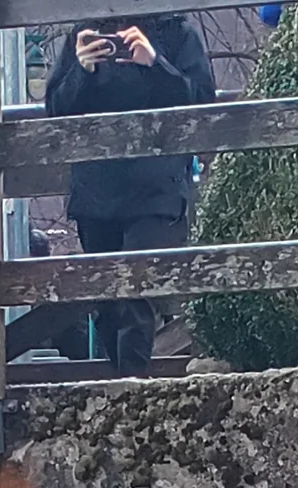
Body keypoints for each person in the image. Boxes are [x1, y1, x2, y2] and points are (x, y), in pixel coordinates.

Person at [44, 17, 216, 376]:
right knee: (105, 298)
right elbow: (56, 111)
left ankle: (132, 390)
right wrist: (82, 69)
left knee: (137, 291)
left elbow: (201, 103)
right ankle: (121, 386)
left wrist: (155, 63)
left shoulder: (177, 33)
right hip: (96, 189)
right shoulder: (86, 32)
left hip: (158, 188)